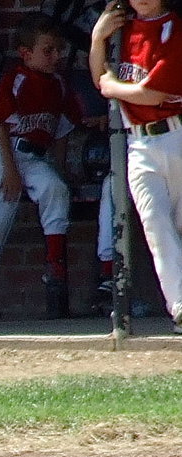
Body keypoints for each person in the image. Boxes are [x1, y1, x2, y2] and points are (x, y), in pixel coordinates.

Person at [0, 14, 85, 321]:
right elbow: (0, 126)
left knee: (56, 189)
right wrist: (10, 171)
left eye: (58, 50)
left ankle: (54, 264)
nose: (55, 56)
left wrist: (61, 169)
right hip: (6, 154)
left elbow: (62, 132)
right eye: (48, 50)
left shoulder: (58, 84)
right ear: (25, 53)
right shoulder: (17, 79)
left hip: (37, 158)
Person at [89, 0, 182, 334]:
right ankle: (180, 306)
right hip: (138, 143)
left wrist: (113, 88)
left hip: (176, 133)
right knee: (155, 225)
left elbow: (152, 94)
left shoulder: (174, 28)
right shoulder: (122, 28)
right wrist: (98, 39)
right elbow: (97, 74)